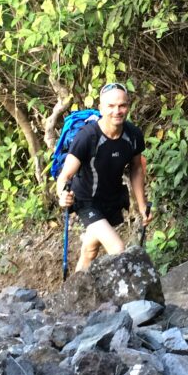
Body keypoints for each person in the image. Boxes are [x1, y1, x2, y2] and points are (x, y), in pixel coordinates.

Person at [55, 82, 153, 273]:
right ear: (101, 108)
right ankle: (120, 300)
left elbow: (136, 169)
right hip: (86, 199)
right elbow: (65, 175)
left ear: (128, 106)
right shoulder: (87, 137)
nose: (117, 111)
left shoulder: (133, 135)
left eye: (122, 105)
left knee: (90, 250)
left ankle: (74, 292)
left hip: (111, 199)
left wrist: (142, 205)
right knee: (118, 249)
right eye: (111, 106)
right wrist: (61, 195)